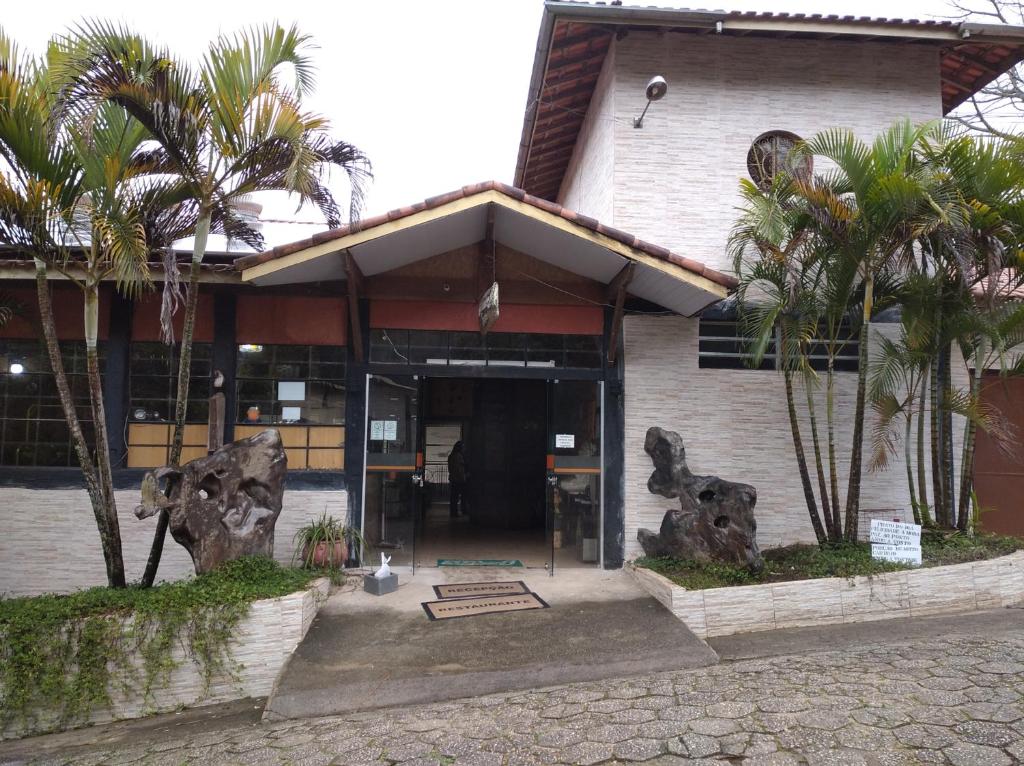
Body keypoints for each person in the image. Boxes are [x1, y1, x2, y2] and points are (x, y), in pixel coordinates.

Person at [447, 440, 467, 518]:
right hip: (459, 479)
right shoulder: (458, 456)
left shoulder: (452, 456)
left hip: (453, 479)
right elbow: (459, 469)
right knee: (462, 496)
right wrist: (464, 477)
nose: (464, 449)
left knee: (454, 497)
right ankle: (461, 510)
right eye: (463, 447)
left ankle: (454, 512)